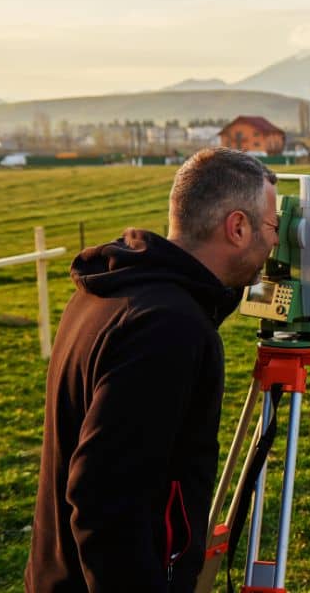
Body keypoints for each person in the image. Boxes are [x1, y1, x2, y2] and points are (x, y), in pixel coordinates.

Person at [25, 147, 280, 592]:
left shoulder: (112, 290)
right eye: (273, 227)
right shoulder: (167, 327)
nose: (276, 242)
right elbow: (104, 499)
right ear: (238, 227)